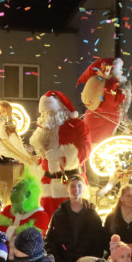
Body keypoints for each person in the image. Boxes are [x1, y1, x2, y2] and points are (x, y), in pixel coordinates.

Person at [29, 90, 92, 218]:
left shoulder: (76, 126)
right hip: (47, 184)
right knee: (46, 221)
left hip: (70, 184)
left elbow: (86, 150)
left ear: (60, 110)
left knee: (71, 221)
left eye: (51, 112)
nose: (47, 115)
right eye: (45, 112)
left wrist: (62, 153)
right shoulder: (42, 130)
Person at [77, 57, 131, 146]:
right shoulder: (111, 85)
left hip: (98, 121)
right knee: (97, 152)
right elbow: (111, 103)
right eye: (120, 69)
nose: (121, 72)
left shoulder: (107, 84)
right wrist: (124, 92)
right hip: (100, 124)